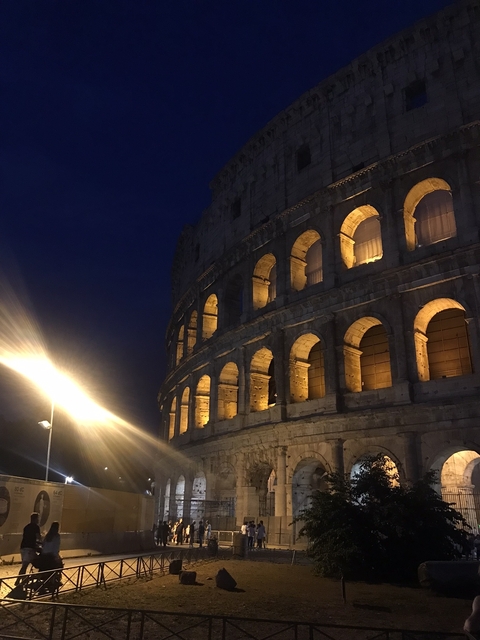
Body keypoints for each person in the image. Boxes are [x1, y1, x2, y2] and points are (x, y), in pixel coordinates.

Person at [17, 512, 41, 582]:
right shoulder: (36, 527)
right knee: (25, 565)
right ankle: (18, 580)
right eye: (38, 519)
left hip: (23, 547)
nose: (38, 520)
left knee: (25, 564)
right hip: (29, 549)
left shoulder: (26, 527)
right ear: (35, 519)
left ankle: (23, 579)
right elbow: (38, 538)